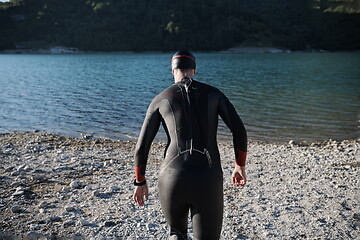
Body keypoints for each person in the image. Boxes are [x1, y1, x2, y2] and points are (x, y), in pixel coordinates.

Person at [133, 50, 247, 240]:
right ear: (194, 70)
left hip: (171, 177)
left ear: (173, 71)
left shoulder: (160, 99)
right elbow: (239, 130)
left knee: (176, 234)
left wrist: (140, 181)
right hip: (207, 176)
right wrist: (239, 166)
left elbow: (142, 146)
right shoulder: (213, 94)